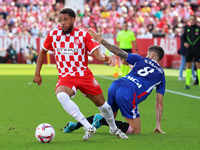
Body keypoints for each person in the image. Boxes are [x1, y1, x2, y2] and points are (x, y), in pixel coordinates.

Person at [33, 8, 128, 141]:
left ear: (73, 20)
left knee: (103, 105)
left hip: (84, 75)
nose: (63, 23)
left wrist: (103, 58)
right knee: (61, 95)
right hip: (66, 76)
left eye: (66, 19)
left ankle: (113, 128)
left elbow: (96, 53)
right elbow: (43, 52)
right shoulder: (53, 35)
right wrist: (37, 73)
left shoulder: (83, 35)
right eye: (61, 20)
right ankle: (88, 126)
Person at [63, 28, 166, 135]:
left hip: (116, 84)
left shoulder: (140, 59)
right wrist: (158, 125)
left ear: (152, 56)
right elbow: (159, 104)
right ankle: (102, 121)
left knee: (109, 113)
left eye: (148, 54)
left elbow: (118, 51)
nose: (147, 56)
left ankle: (76, 125)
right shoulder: (161, 75)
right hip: (129, 91)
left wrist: (100, 40)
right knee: (136, 130)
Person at [182, 14, 200, 89]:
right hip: (189, 50)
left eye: (193, 19)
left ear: (195, 20)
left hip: (198, 50)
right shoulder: (187, 29)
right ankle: (187, 84)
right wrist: (184, 43)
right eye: (191, 19)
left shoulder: (199, 29)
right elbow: (183, 38)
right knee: (188, 66)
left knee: (199, 66)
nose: (192, 20)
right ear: (189, 20)